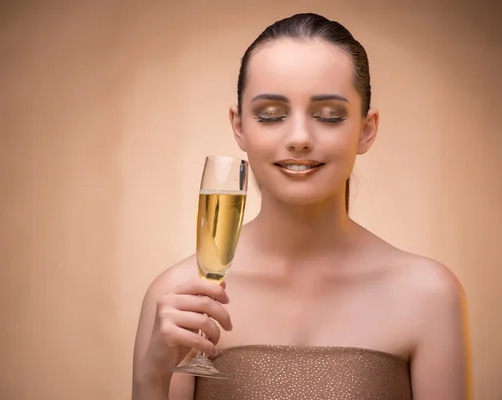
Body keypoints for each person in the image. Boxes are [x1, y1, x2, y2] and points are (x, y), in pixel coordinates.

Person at [131, 12, 472, 400]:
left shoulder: (428, 295)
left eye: (328, 116)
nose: (299, 138)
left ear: (366, 129)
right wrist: (151, 378)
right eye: (271, 115)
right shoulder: (180, 298)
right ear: (239, 126)